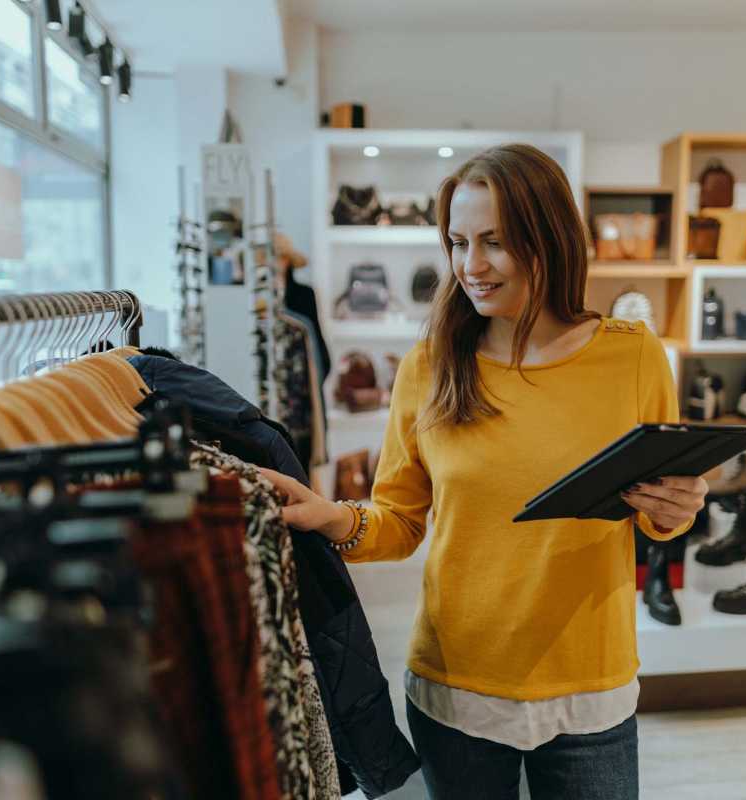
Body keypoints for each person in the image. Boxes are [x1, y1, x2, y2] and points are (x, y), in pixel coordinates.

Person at [262, 143, 707, 799]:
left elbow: (657, 514)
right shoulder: (430, 367)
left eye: (494, 242)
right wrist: (334, 517)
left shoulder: (634, 358)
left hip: (592, 689)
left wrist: (677, 513)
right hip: (458, 685)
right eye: (457, 242)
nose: (471, 266)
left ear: (547, 239)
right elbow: (399, 522)